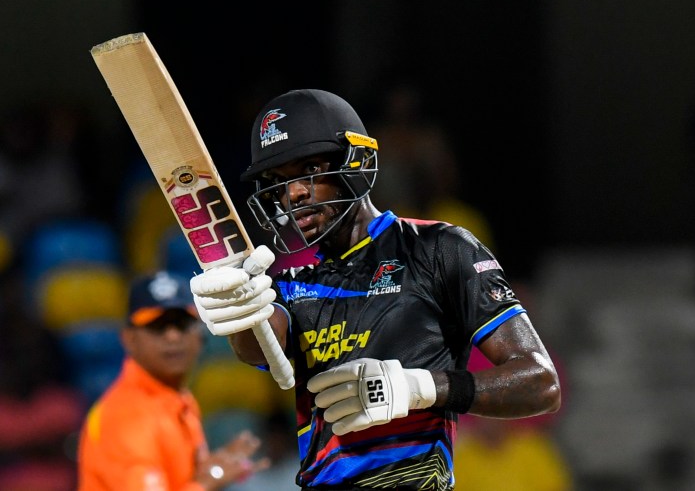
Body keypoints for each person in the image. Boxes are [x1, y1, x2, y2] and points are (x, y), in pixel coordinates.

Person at [189, 88, 561, 491]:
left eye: (309, 170)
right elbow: (258, 345)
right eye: (278, 183)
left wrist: (416, 388)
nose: (292, 194)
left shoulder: (438, 249)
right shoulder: (293, 286)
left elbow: (541, 383)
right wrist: (236, 306)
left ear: (356, 161)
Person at [76, 270, 270, 490]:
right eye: (158, 326)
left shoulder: (176, 398)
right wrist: (206, 482)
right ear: (129, 339)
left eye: (182, 324)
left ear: (199, 335)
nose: (173, 336)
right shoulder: (127, 416)